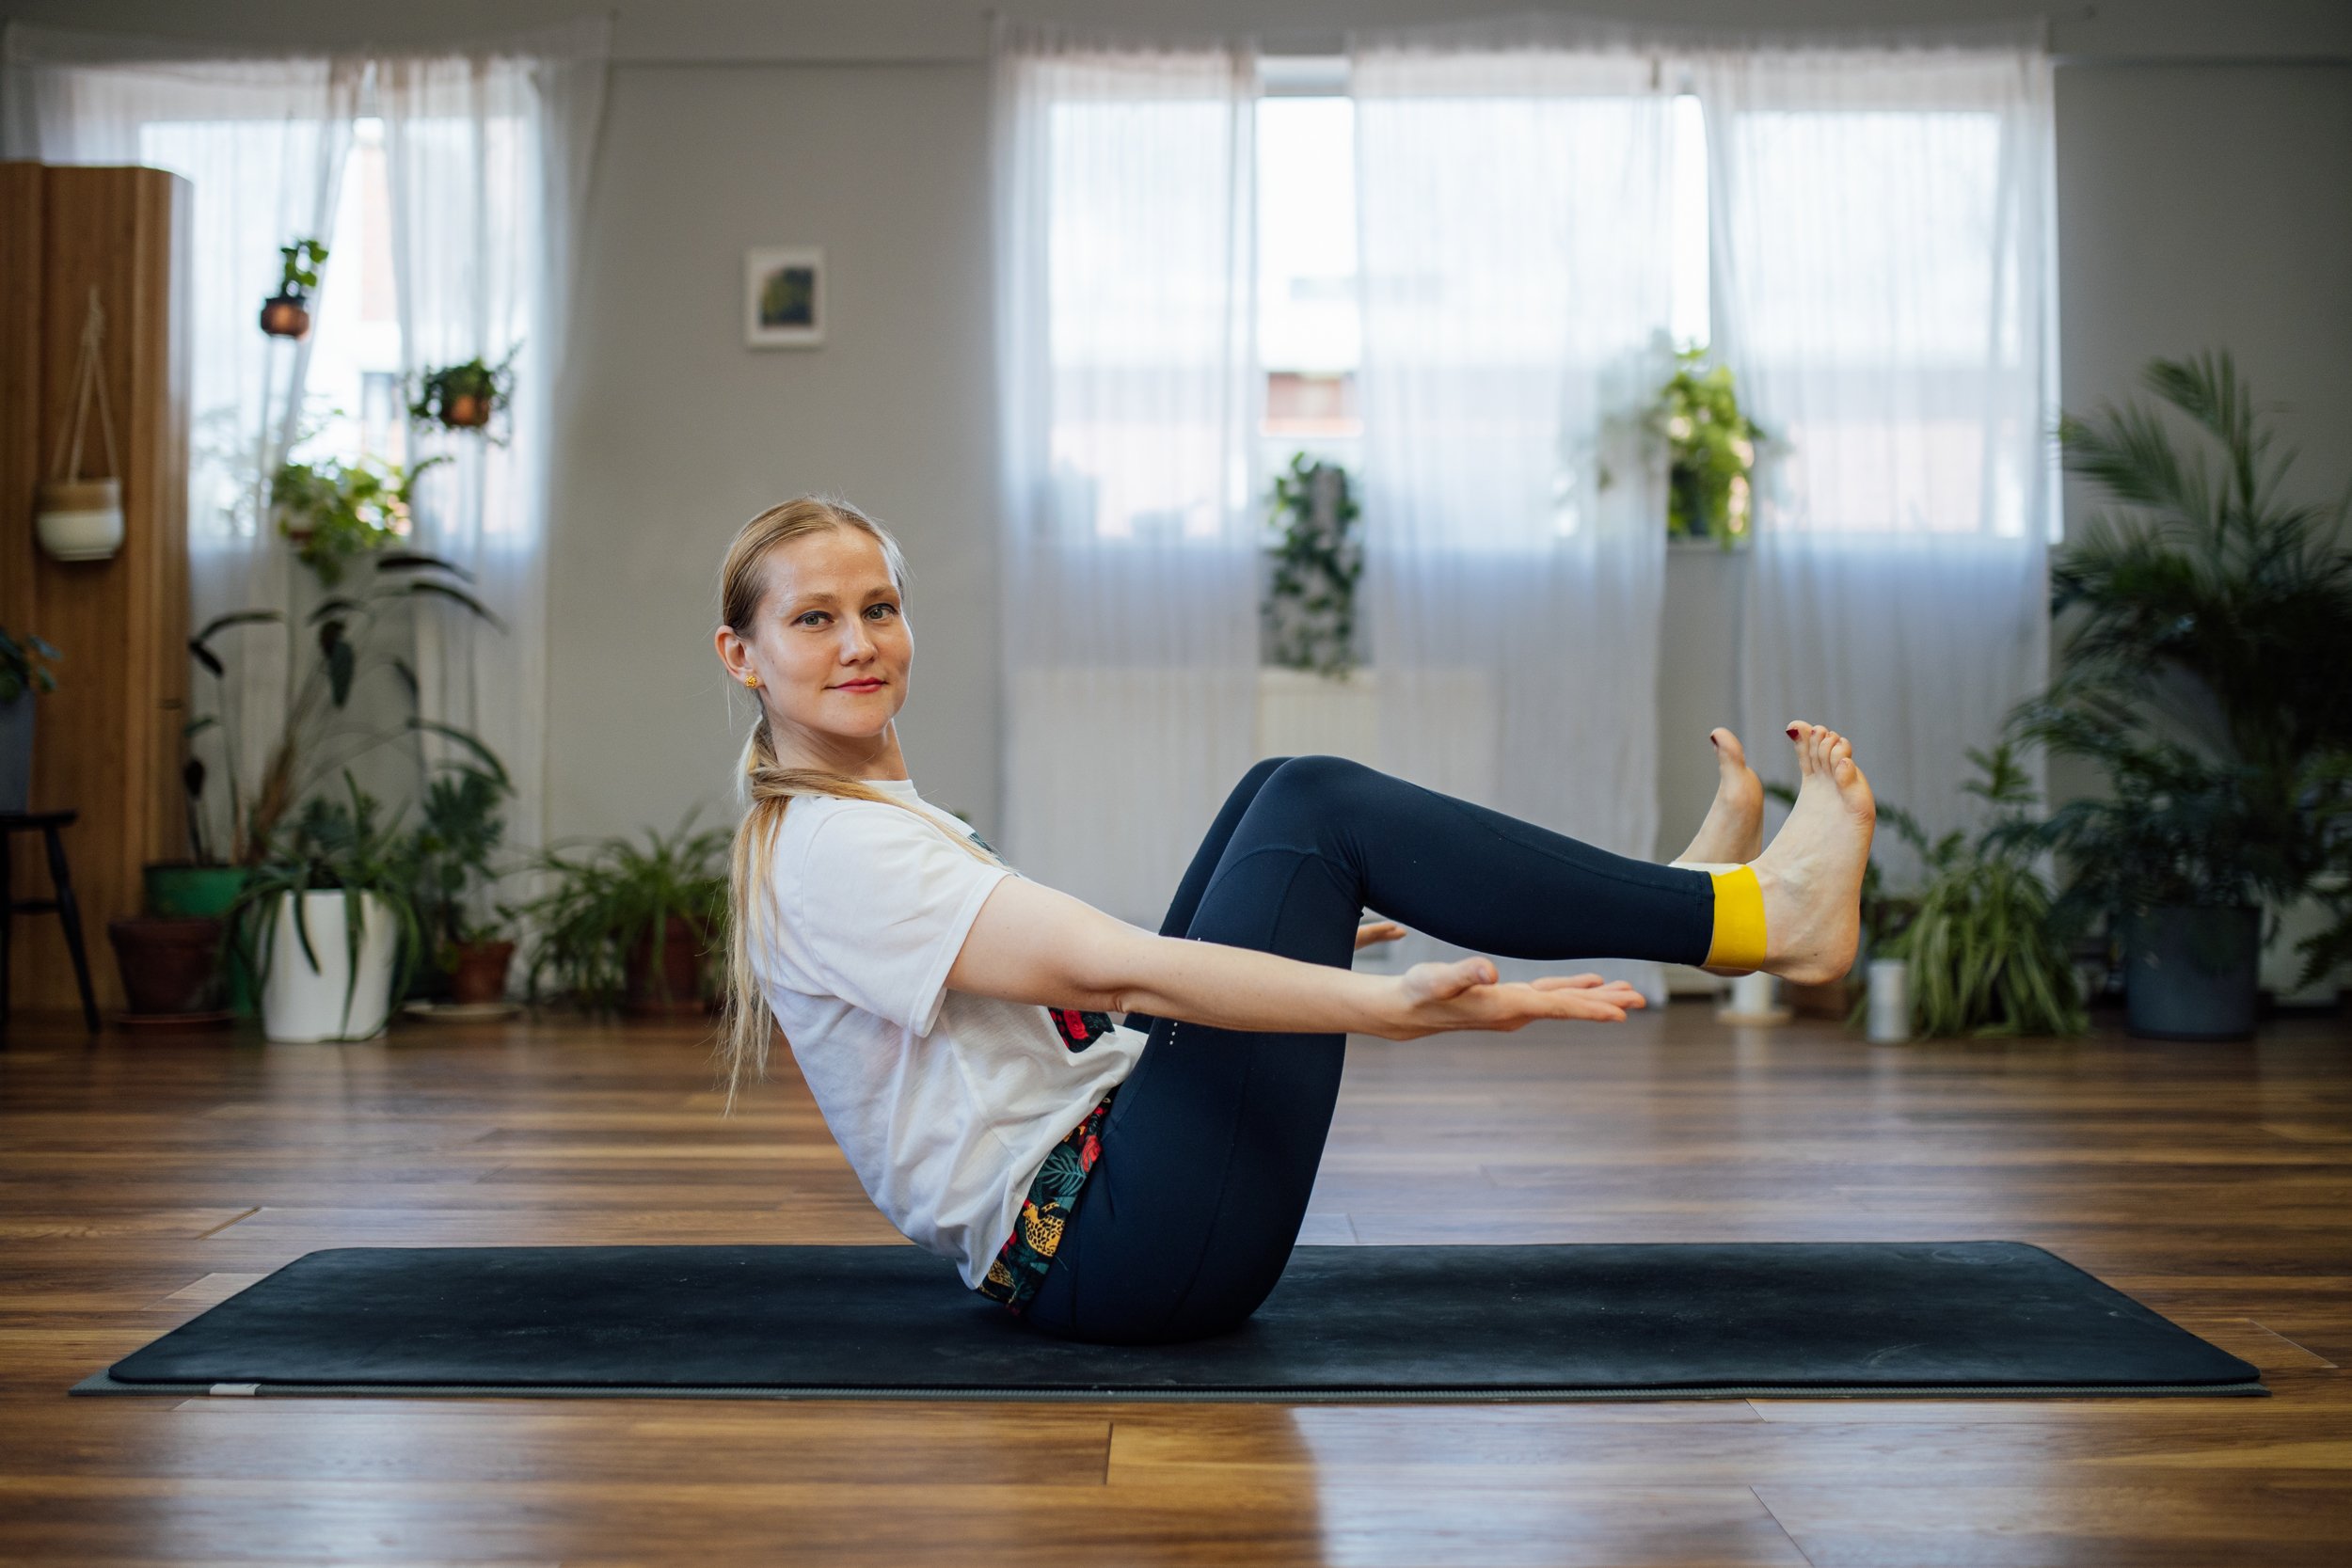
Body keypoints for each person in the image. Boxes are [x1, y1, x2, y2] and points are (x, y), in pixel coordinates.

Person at [712, 496, 1875, 1346]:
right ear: (744, 657)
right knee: (1314, 806)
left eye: (878, 607)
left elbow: (1081, 1000)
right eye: (814, 619)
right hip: (1116, 1253)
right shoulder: (836, 849)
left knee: (1277, 788)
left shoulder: (853, 817)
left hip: (1119, 1193)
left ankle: (1678, 900)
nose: (860, 641)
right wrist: (1382, 1008)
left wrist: (1299, 940)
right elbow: (1133, 974)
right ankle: (1751, 917)